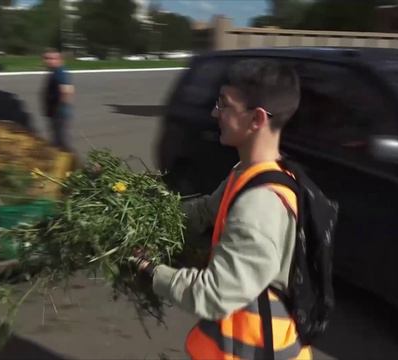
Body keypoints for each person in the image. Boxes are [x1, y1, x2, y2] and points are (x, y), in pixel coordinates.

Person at [131, 59, 312, 359]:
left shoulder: (261, 206)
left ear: (256, 119)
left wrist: (150, 272)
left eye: (224, 105)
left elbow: (213, 295)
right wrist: (151, 217)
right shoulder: (250, 173)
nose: (215, 112)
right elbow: (205, 210)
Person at [42, 48, 74, 151]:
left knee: (61, 142)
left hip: (59, 114)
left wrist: (59, 109)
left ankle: (70, 164)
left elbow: (67, 91)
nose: (49, 61)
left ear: (59, 59)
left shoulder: (60, 72)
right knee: (57, 140)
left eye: (52, 58)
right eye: (46, 58)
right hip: (56, 113)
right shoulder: (55, 71)